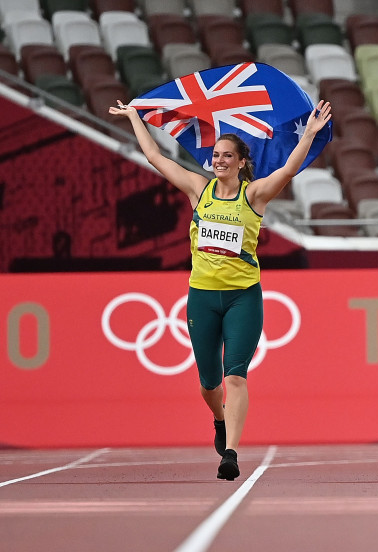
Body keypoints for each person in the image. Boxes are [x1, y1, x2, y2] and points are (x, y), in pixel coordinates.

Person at [109, 99, 332, 481]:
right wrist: (135, 118)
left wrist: (309, 135)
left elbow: (290, 168)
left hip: (243, 296)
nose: (219, 160)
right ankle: (218, 418)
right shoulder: (199, 189)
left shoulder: (255, 195)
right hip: (202, 296)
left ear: (242, 161)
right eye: (215, 155)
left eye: (227, 155)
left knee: (236, 377)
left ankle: (230, 452)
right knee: (209, 384)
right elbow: (154, 157)